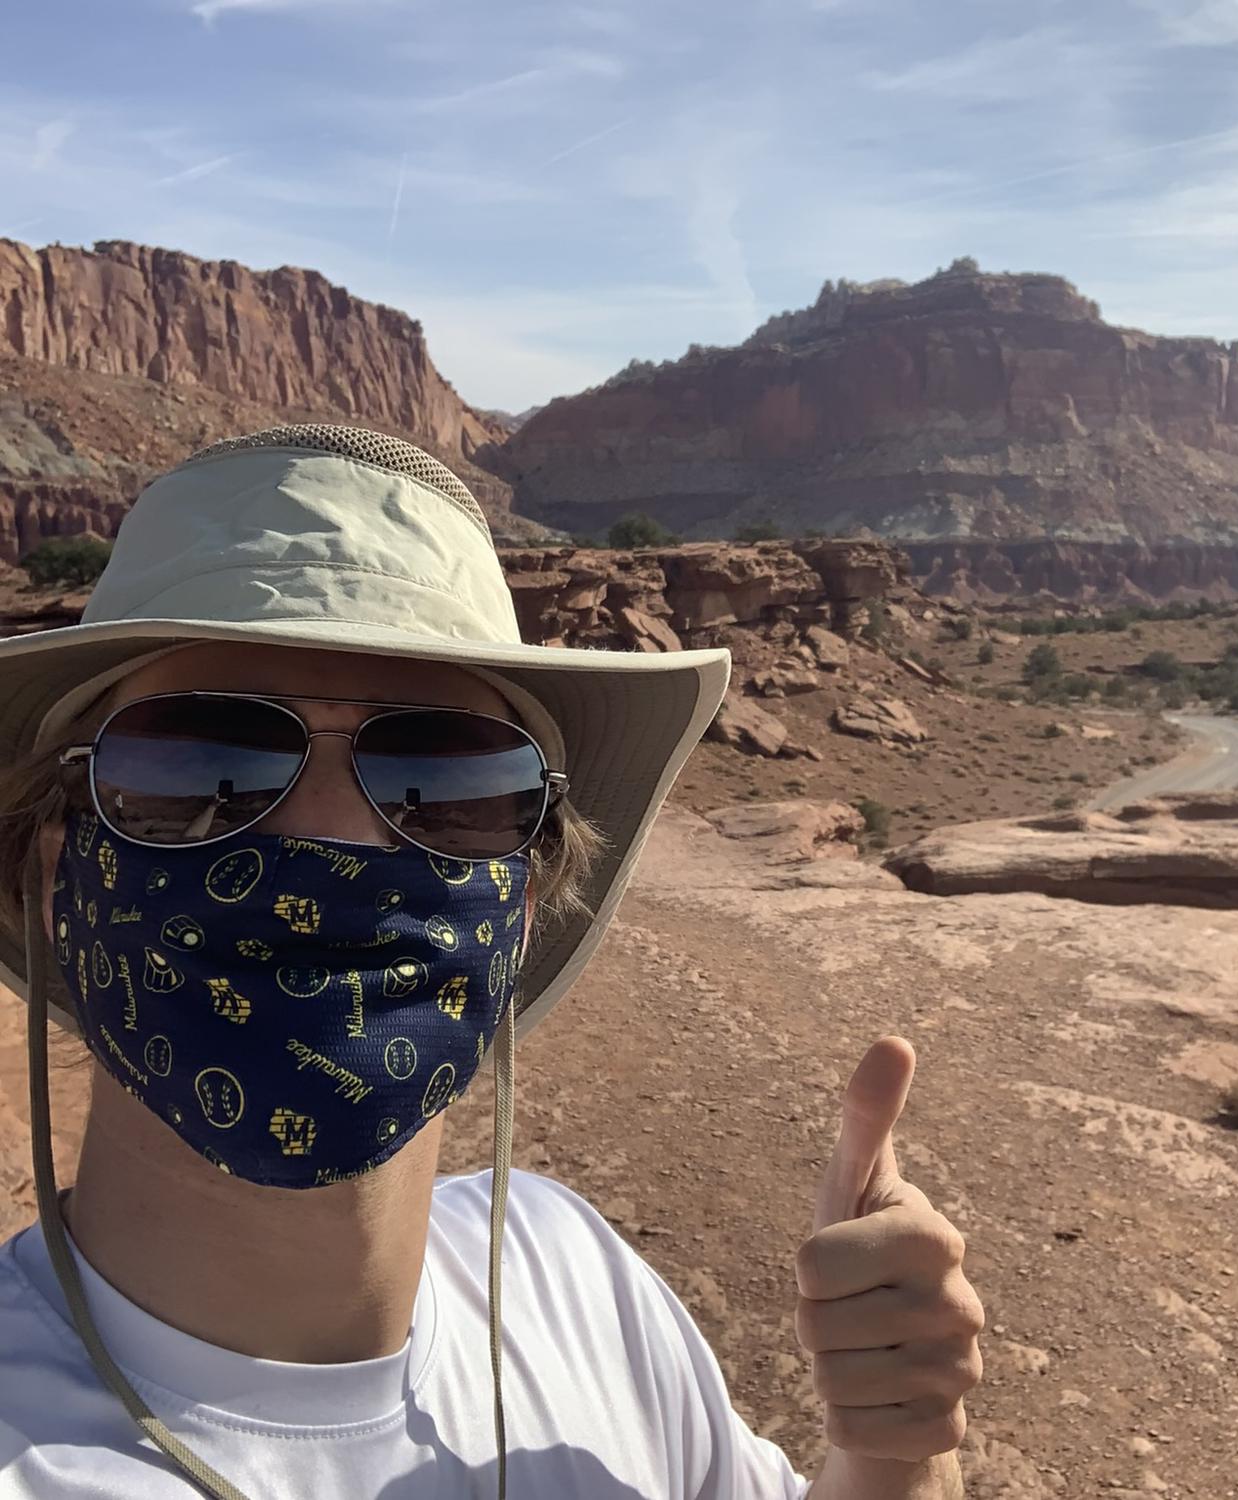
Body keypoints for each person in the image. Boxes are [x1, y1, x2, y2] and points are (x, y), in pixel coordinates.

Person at [0, 426, 983, 1499]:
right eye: (202, 761)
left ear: (522, 907)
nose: (343, 841)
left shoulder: (573, 1277)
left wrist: (893, 1463)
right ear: (60, 876)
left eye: (445, 782)